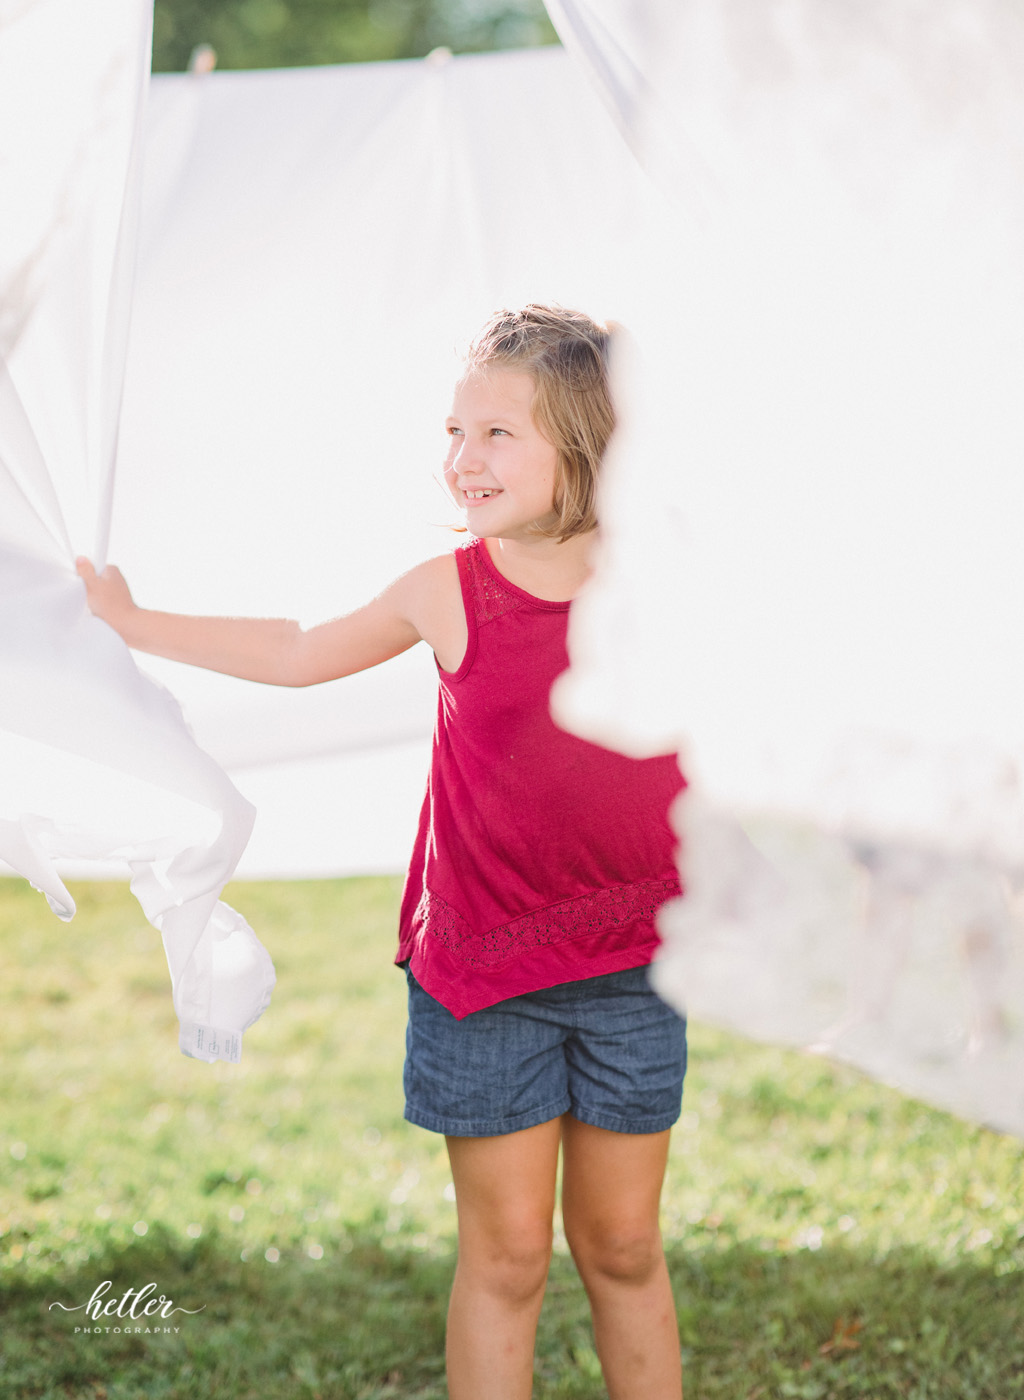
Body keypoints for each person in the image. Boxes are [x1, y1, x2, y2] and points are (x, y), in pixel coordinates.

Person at [78, 304, 687, 1400]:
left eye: (498, 433)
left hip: (636, 969)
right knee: (504, 1257)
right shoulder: (447, 588)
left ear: (591, 440)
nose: (462, 458)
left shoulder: (669, 585)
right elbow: (297, 648)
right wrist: (134, 621)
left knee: (625, 1246)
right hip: (485, 974)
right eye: (453, 431)